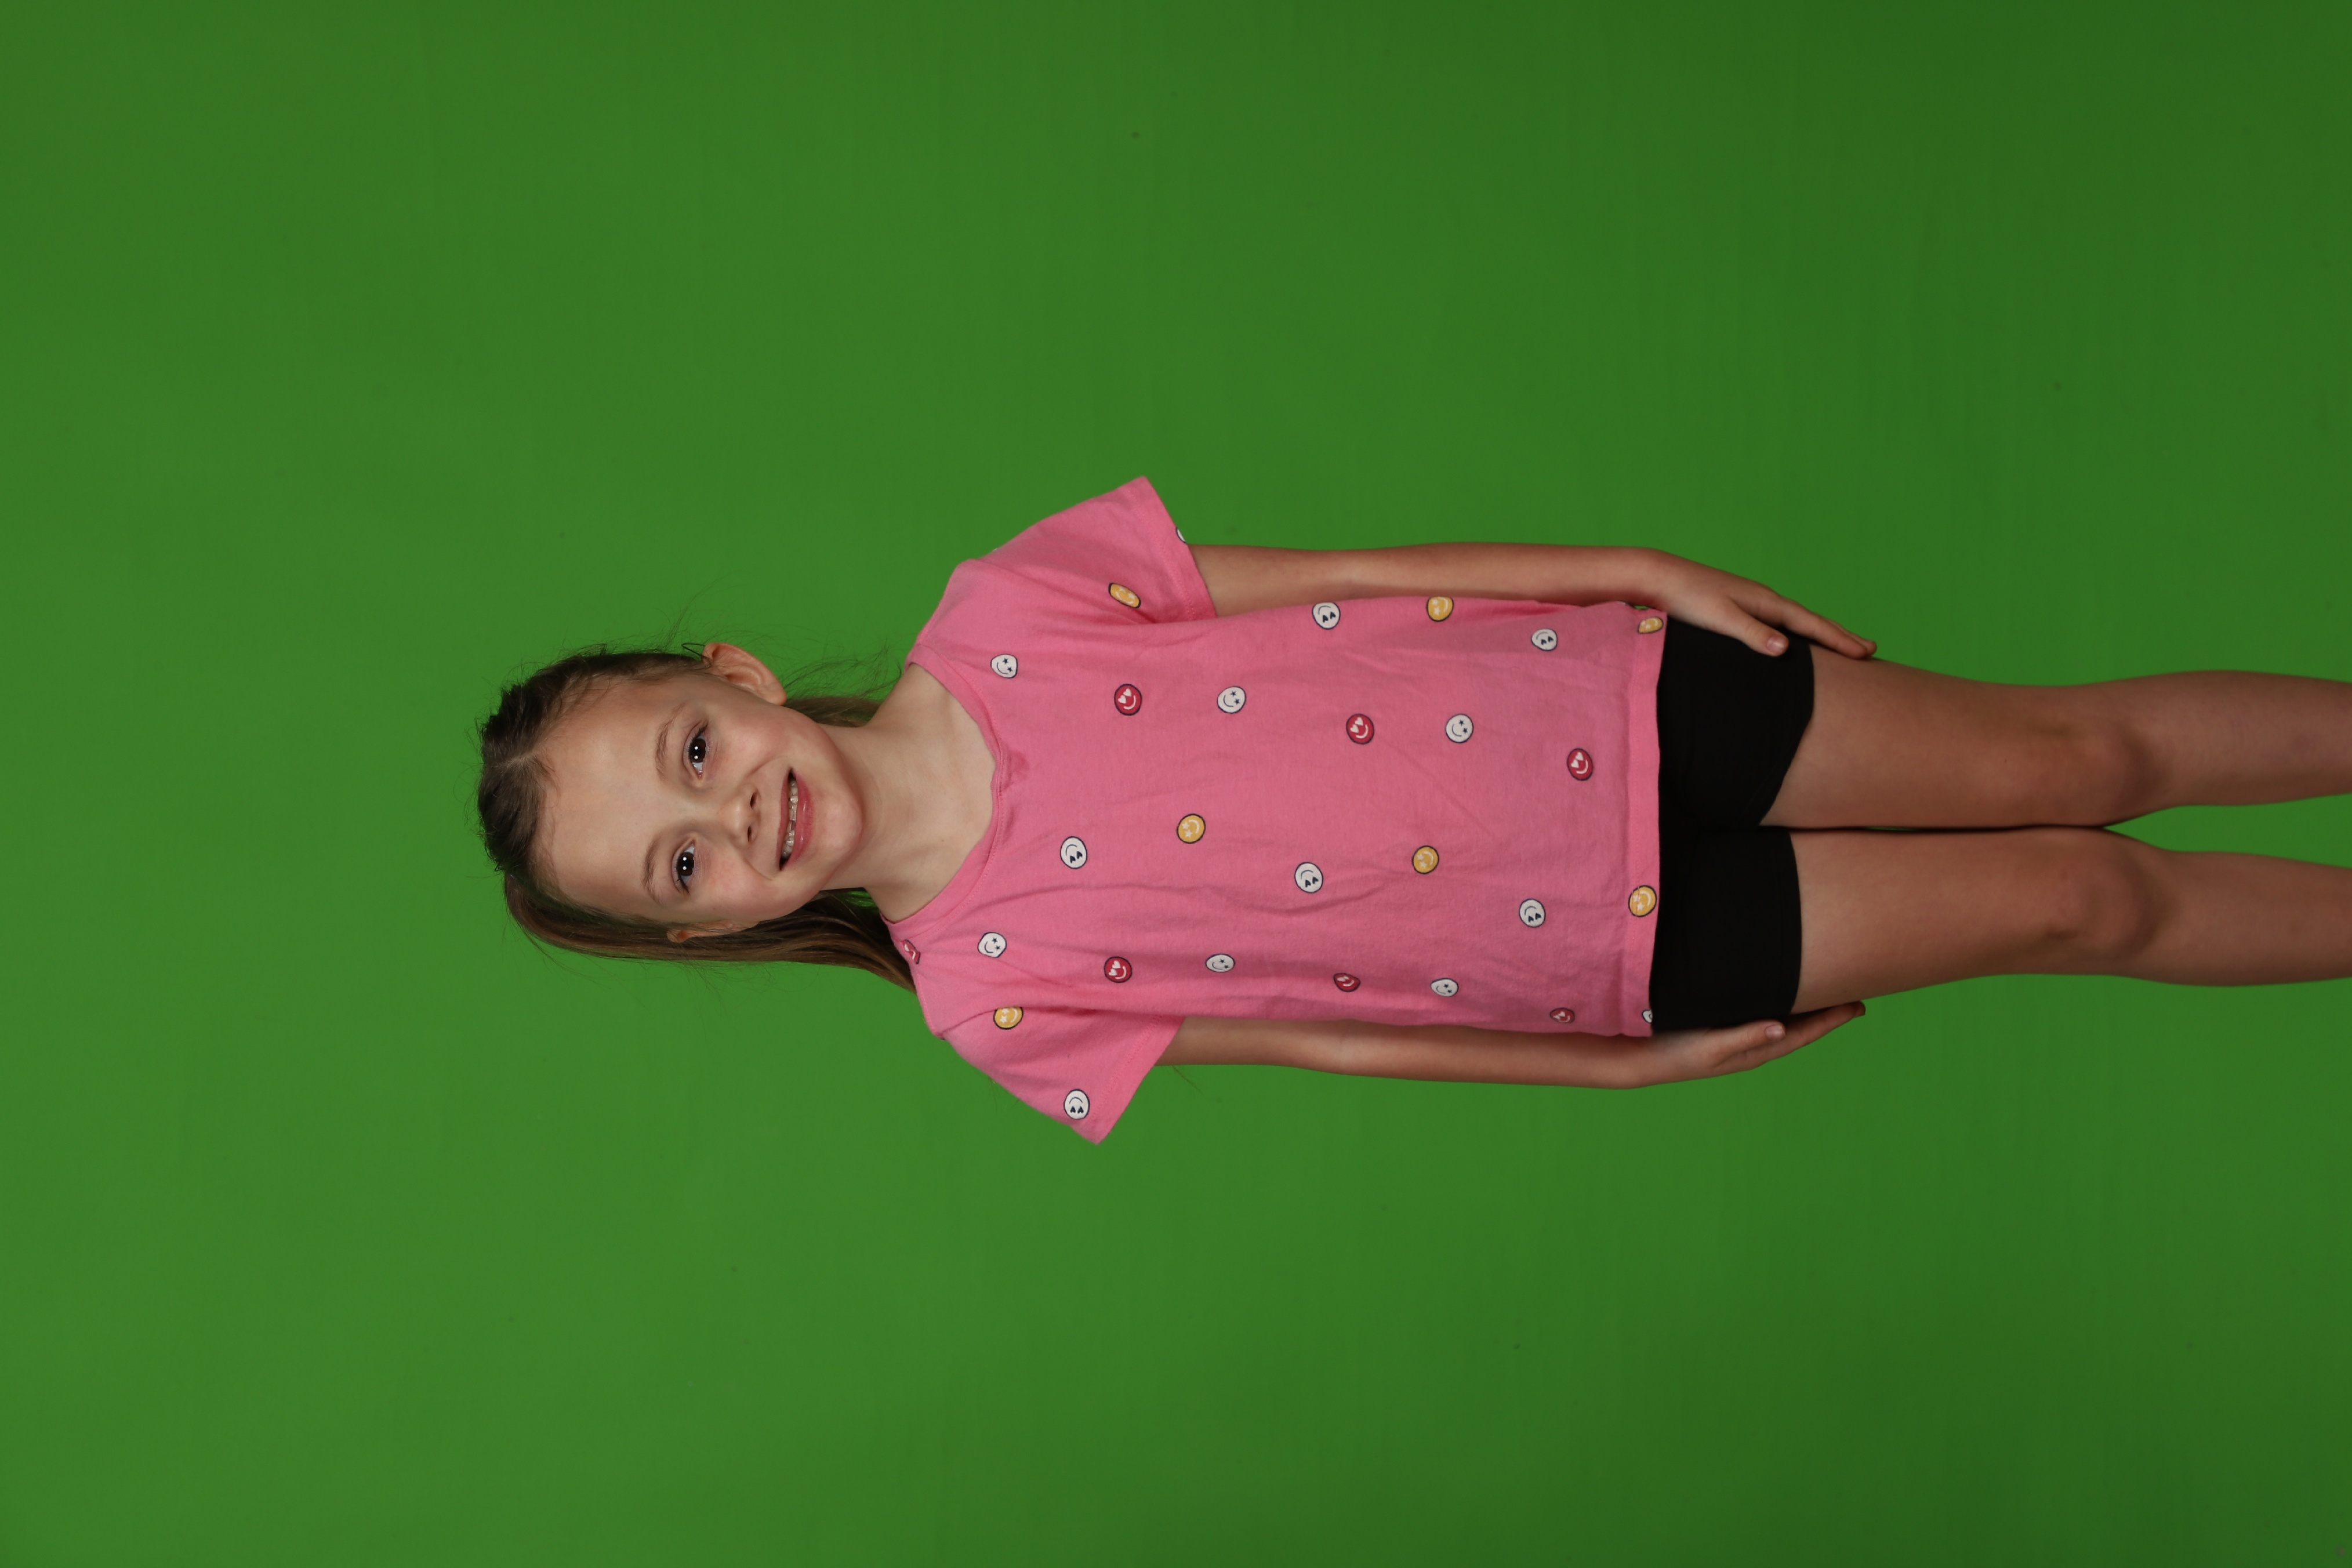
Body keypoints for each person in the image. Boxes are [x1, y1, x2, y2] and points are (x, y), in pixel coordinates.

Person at [476, 478, 2352, 1141]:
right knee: (2077, 902)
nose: (736, 817)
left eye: (692, 754)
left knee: (2068, 769)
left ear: (730, 677)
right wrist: (1610, 1073)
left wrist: (1627, 565)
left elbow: (1350, 574)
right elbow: (1329, 1043)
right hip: (1609, 954)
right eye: (682, 866)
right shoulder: (989, 1003)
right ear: (712, 927)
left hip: (1618, 699)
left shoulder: (1009, 599)